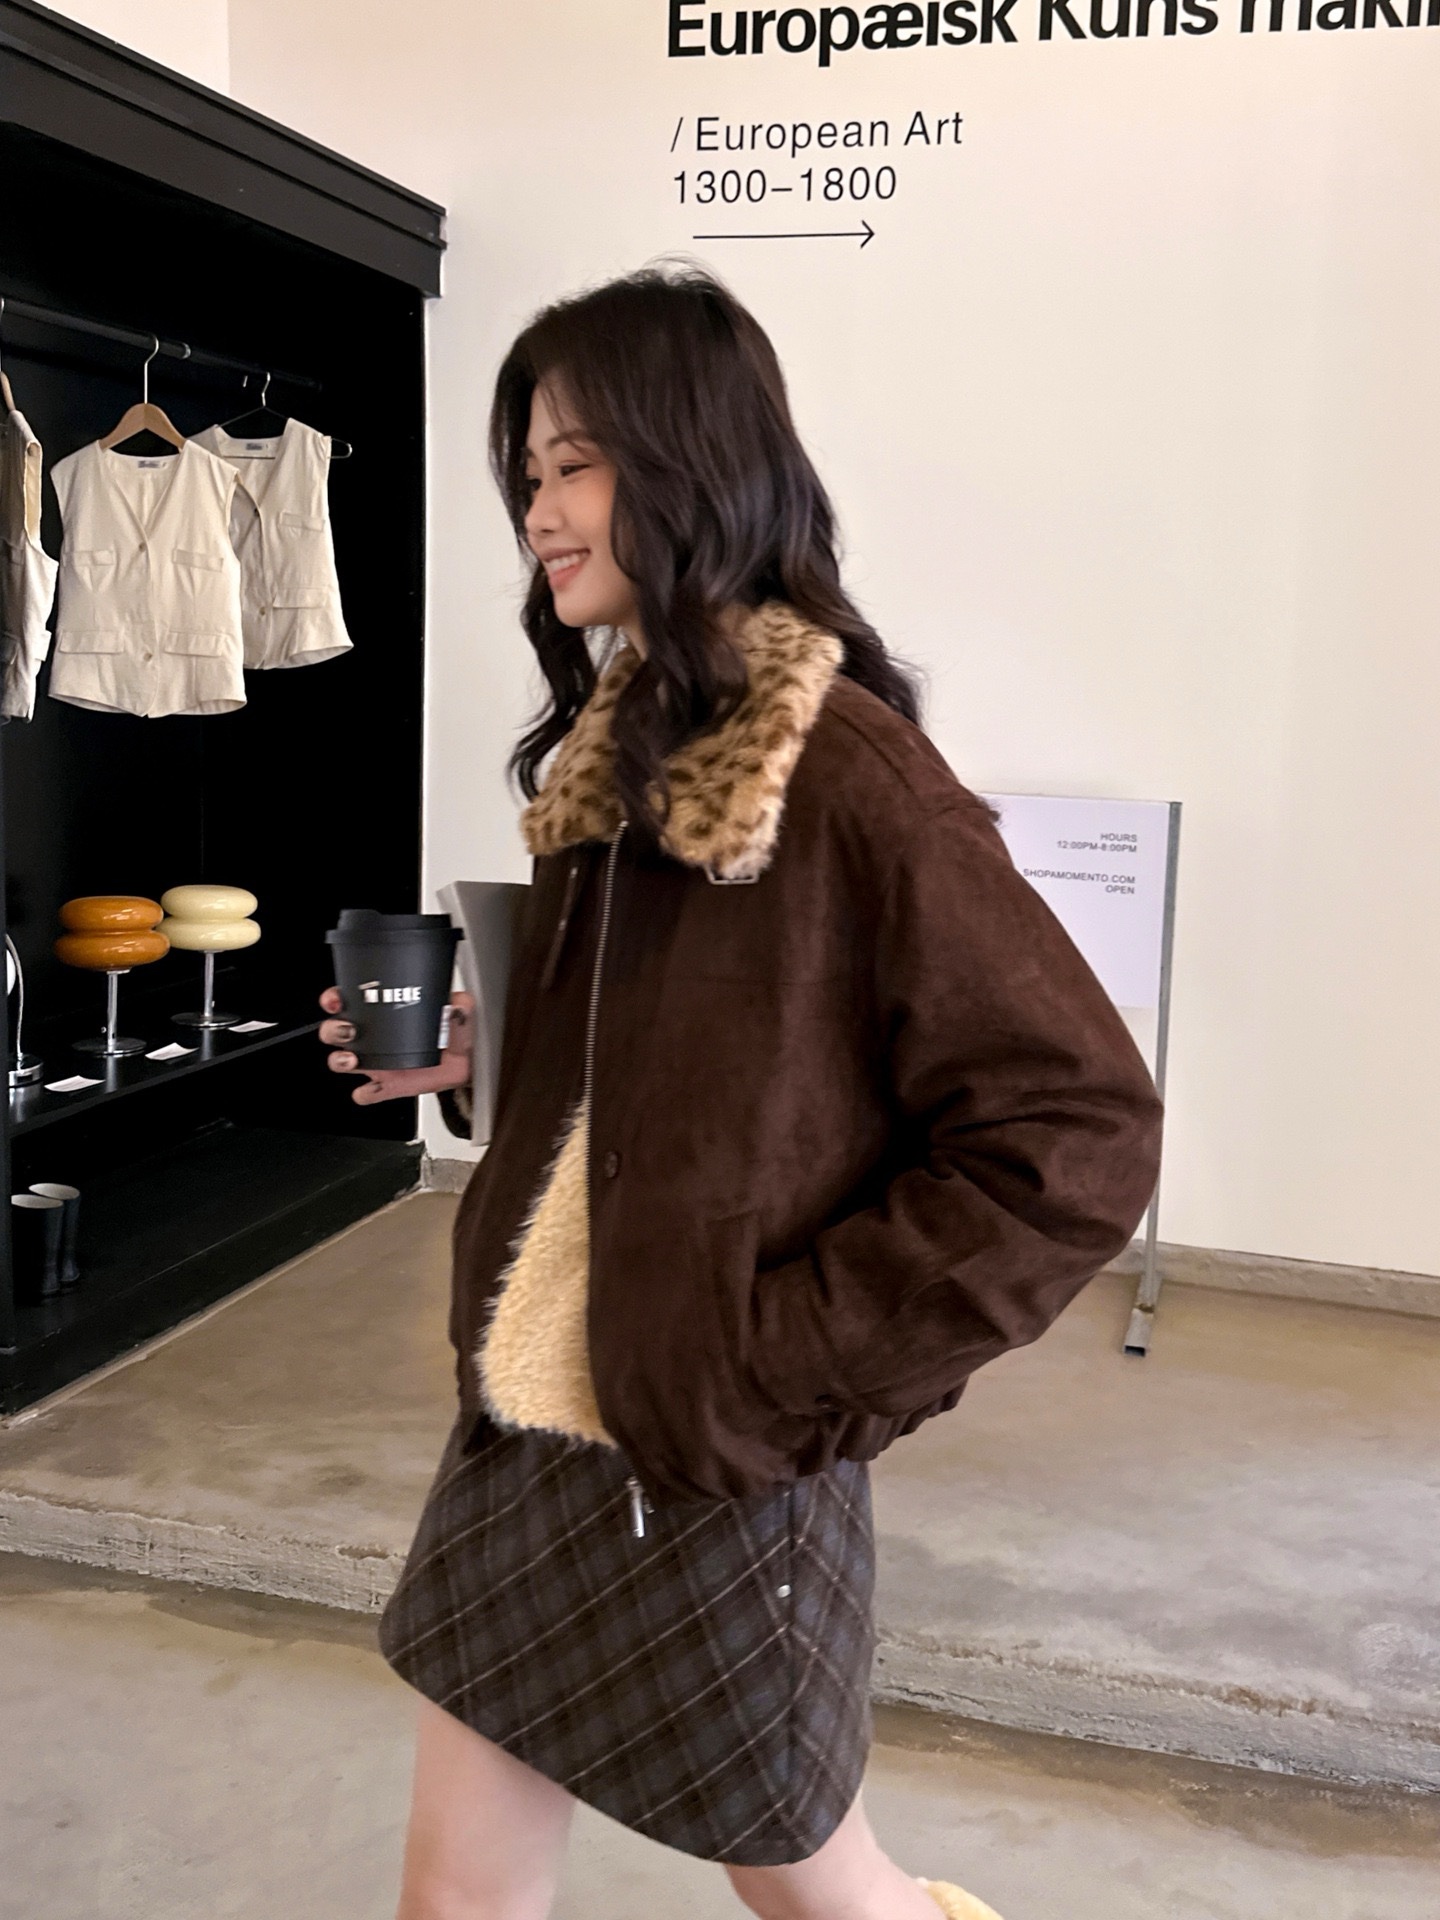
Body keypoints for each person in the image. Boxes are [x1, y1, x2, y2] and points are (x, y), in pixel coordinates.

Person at [319, 265, 1162, 1920]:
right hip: (533, 1417)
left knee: (825, 1895)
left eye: (573, 466)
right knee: (454, 1897)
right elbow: (680, 1085)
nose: (537, 512)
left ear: (689, 463)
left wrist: (780, 1368)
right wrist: (485, 1067)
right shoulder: (615, 756)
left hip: (707, 1454)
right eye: (528, 472)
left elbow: (1076, 1133)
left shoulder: (845, 773)